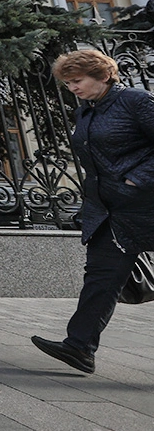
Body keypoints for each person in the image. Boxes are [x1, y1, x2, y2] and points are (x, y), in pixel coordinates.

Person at [31, 49, 154, 374]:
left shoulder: (135, 101)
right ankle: (79, 347)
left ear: (102, 76)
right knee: (100, 278)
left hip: (146, 204)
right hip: (109, 211)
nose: (72, 87)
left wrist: (136, 179)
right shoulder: (85, 112)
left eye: (77, 80)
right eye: (68, 82)